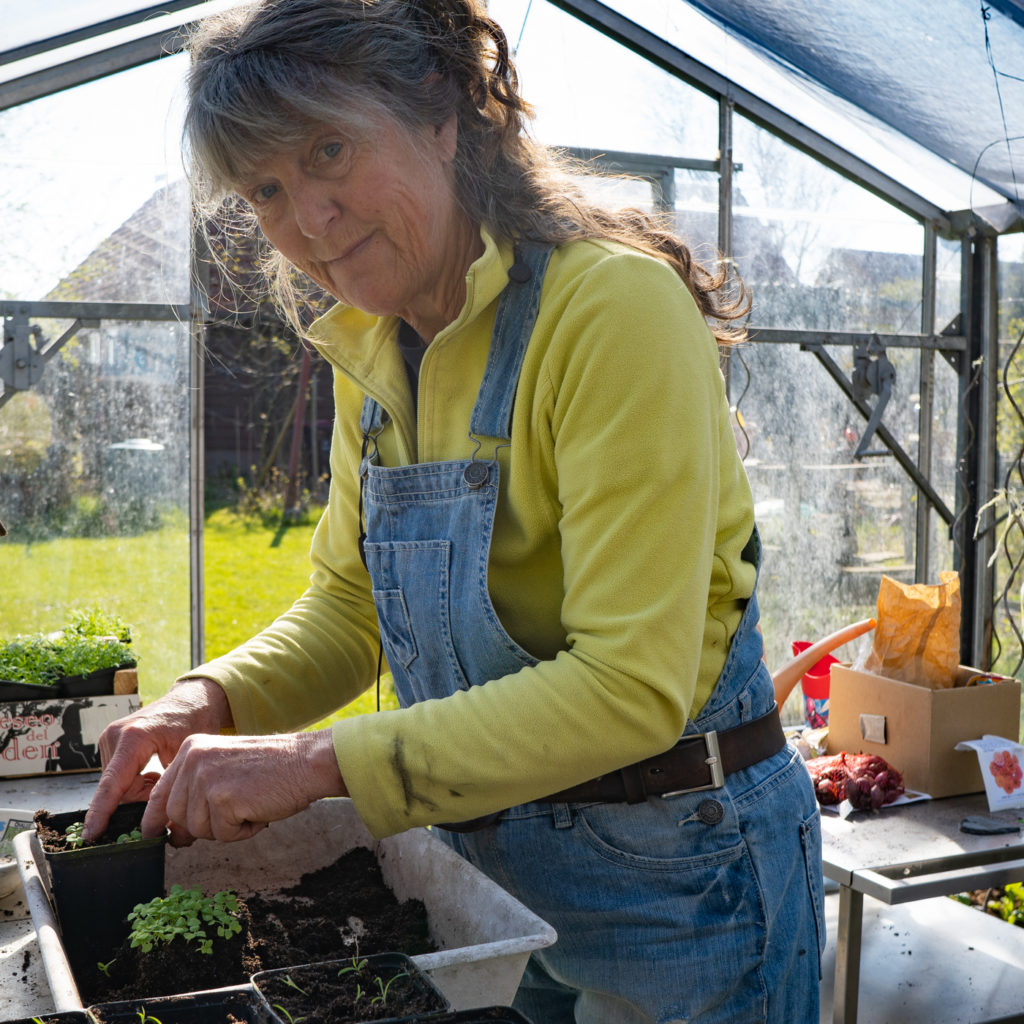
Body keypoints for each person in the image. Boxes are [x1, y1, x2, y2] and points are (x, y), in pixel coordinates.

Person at [84, 1, 825, 1020]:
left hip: (678, 882)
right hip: (488, 881)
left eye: (330, 151)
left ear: (442, 116)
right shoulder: (378, 347)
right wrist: (209, 699)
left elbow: (628, 685)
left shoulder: (607, 312)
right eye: (266, 189)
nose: (307, 219)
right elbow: (350, 611)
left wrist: (312, 763)